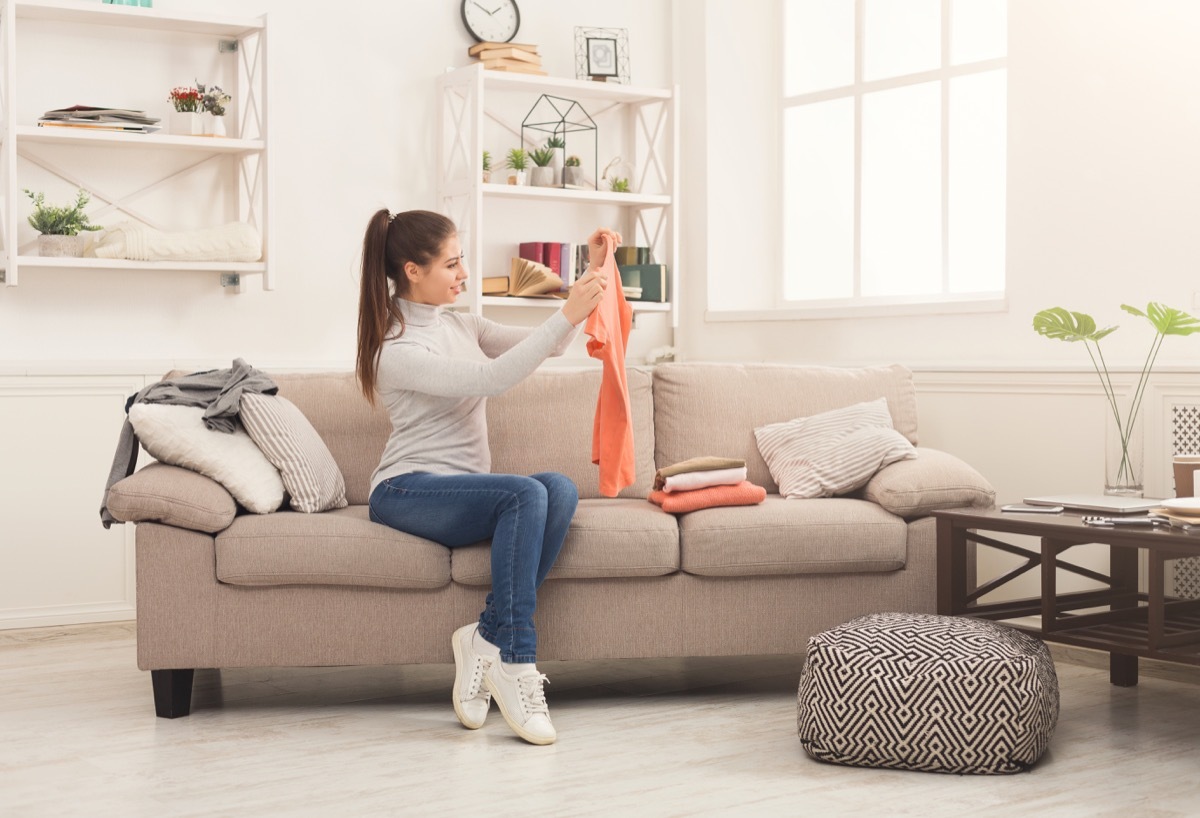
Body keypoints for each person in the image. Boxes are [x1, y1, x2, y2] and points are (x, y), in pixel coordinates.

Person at [356, 208, 620, 746]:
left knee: (559, 488)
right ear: (412, 270)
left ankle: (485, 637)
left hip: (461, 493)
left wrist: (593, 275)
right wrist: (566, 313)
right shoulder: (397, 349)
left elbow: (552, 342)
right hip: (404, 490)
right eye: (452, 264)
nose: (463, 275)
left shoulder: (462, 323)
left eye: (462, 261)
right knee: (523, 493)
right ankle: (516, 662)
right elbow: (492, 378)